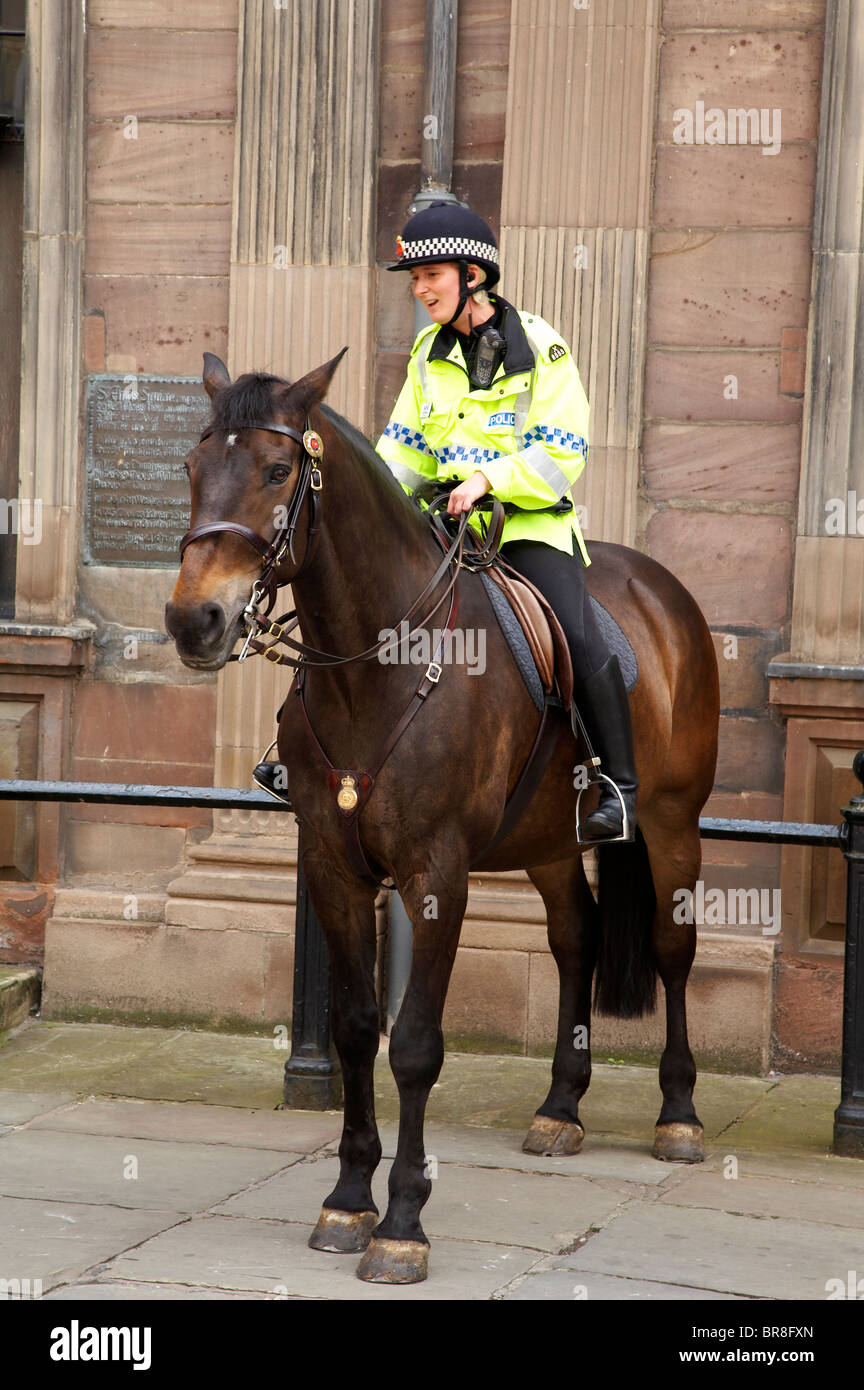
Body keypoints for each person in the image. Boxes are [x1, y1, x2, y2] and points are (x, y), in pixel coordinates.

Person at [375, 200, 637, 842]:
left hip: (527, 529)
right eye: (414, 279)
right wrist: (375, 501)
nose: (420, 288)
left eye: (430, 275)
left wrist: (489, 479)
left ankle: (619, 787)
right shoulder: (425, 354)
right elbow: (403, 449)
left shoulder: (540, 347)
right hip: (443, 529)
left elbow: (562, 450)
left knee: (574, 633)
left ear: (472, 274)